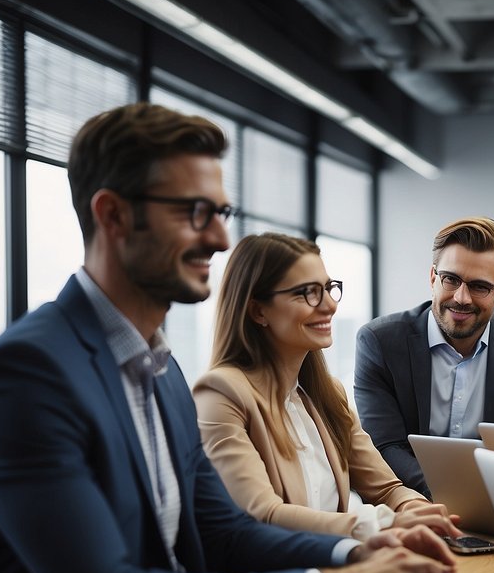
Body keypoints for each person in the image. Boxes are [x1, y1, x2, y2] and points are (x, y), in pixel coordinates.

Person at [0, 103, 453, 573]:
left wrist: (357, 554)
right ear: (112, 214)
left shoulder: (156, 373)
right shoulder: (33, 374)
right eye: (195, 213)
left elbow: (226, 533)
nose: (221, 237)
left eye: (220, 212)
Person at [194, 232, 463, 541]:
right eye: (307, 293)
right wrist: (381, 524)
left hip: (349, 565)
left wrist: (418, 510)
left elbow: (387, 489)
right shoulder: (221, 393)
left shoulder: (326, 393)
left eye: (328, 289)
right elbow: (263, 515)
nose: (329, 306)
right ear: (258, 311)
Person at [354, 216, 494, 498]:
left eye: (480, 286)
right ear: (433, 277)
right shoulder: (381, 341)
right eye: (451, 279)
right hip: (408, 506)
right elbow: (385, 447)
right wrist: (457, 499)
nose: (461, 298)